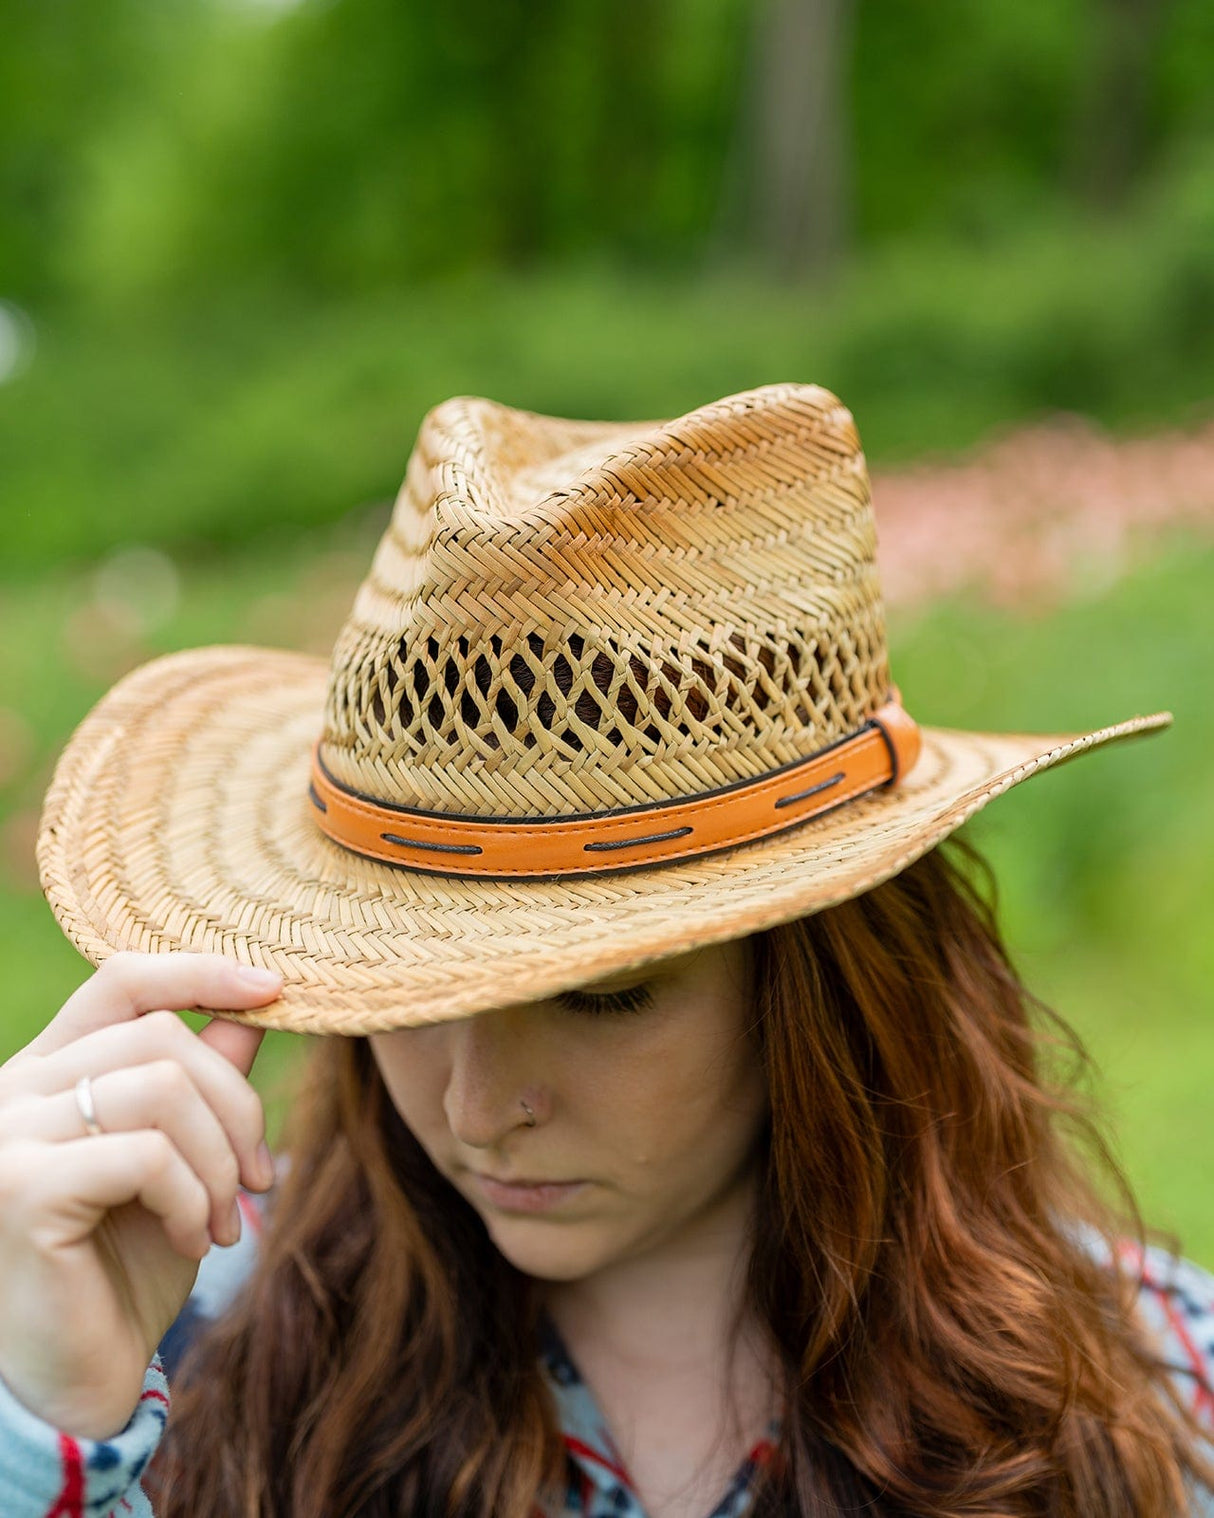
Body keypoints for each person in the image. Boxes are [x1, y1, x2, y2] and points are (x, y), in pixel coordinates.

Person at [1, 383, 1211, 1517]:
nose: (478, 1109)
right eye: (405, 995)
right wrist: (49, 1436)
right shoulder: (186, 1344)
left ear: (819, 981)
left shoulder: (1147, 1389)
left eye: (603, 998)